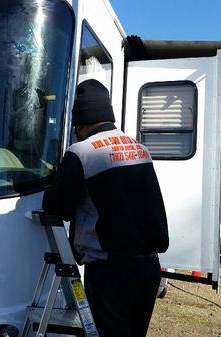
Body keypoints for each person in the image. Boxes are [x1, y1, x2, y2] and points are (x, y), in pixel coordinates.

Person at [42, 79, 169, 337]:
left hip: (111, 273)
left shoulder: (81, 152)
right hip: (148, 269)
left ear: (81, 123)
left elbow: (56, 207)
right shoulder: (139, 149)